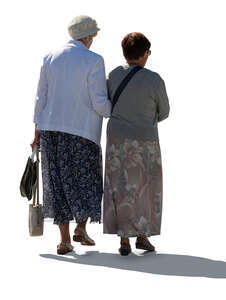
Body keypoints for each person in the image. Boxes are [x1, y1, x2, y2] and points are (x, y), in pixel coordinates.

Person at [31, 15, 111, 255]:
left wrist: (36, 132)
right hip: (82, 131)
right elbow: (99, 102)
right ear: (87, 36)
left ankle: (64, 240)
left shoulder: (49, 57)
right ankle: (81, 227)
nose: (94, 39)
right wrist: (115, 111)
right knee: (86, 181)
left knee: (57, 184)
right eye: (93, 35)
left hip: (50, 130)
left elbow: (40, 98)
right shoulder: (94, 60)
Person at [103, 32, 170, 255]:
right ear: (143, 54)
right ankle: (142, 236)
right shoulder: (154, 79)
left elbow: (108, 103)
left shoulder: (112, 75)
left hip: (116, 138)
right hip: (145, 140)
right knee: (144, 188)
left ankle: (124, 239)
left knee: (120, 186)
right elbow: (165, 112)